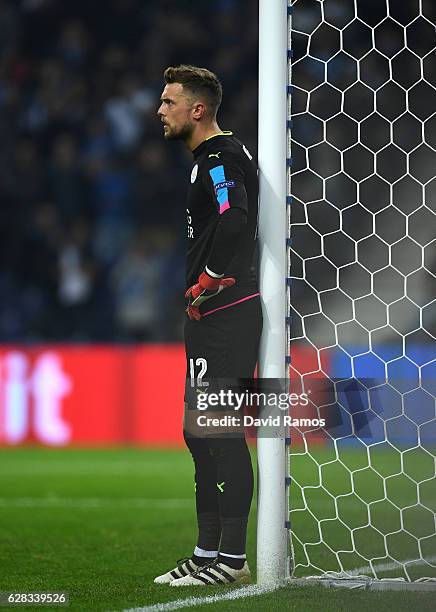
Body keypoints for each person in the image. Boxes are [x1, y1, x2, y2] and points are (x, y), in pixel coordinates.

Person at [154, 65, 262, 586]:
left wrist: (212, 279)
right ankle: (205, 554)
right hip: (210, 316)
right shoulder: (206, 161)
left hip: (228, 313)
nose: (160, 109)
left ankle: (233, 562)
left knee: (221, 434)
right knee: (198, 435)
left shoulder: (221, 157)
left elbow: (235, 215)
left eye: (169, 101)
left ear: (198, 109)